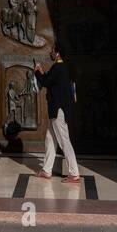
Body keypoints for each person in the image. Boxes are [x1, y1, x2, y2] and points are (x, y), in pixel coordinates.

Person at [34, 45, 80, 185]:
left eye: (53, 51)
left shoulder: (58, 68)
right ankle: (47, 170)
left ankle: (74, 173)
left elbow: (46, 82)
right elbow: (49, 79)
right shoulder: (60, 68)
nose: (51, 52)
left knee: (63, 140)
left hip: (58, 111)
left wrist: (37, 73)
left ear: (58, 53)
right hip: (57, 111)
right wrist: (41, 72)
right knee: (50, 139)